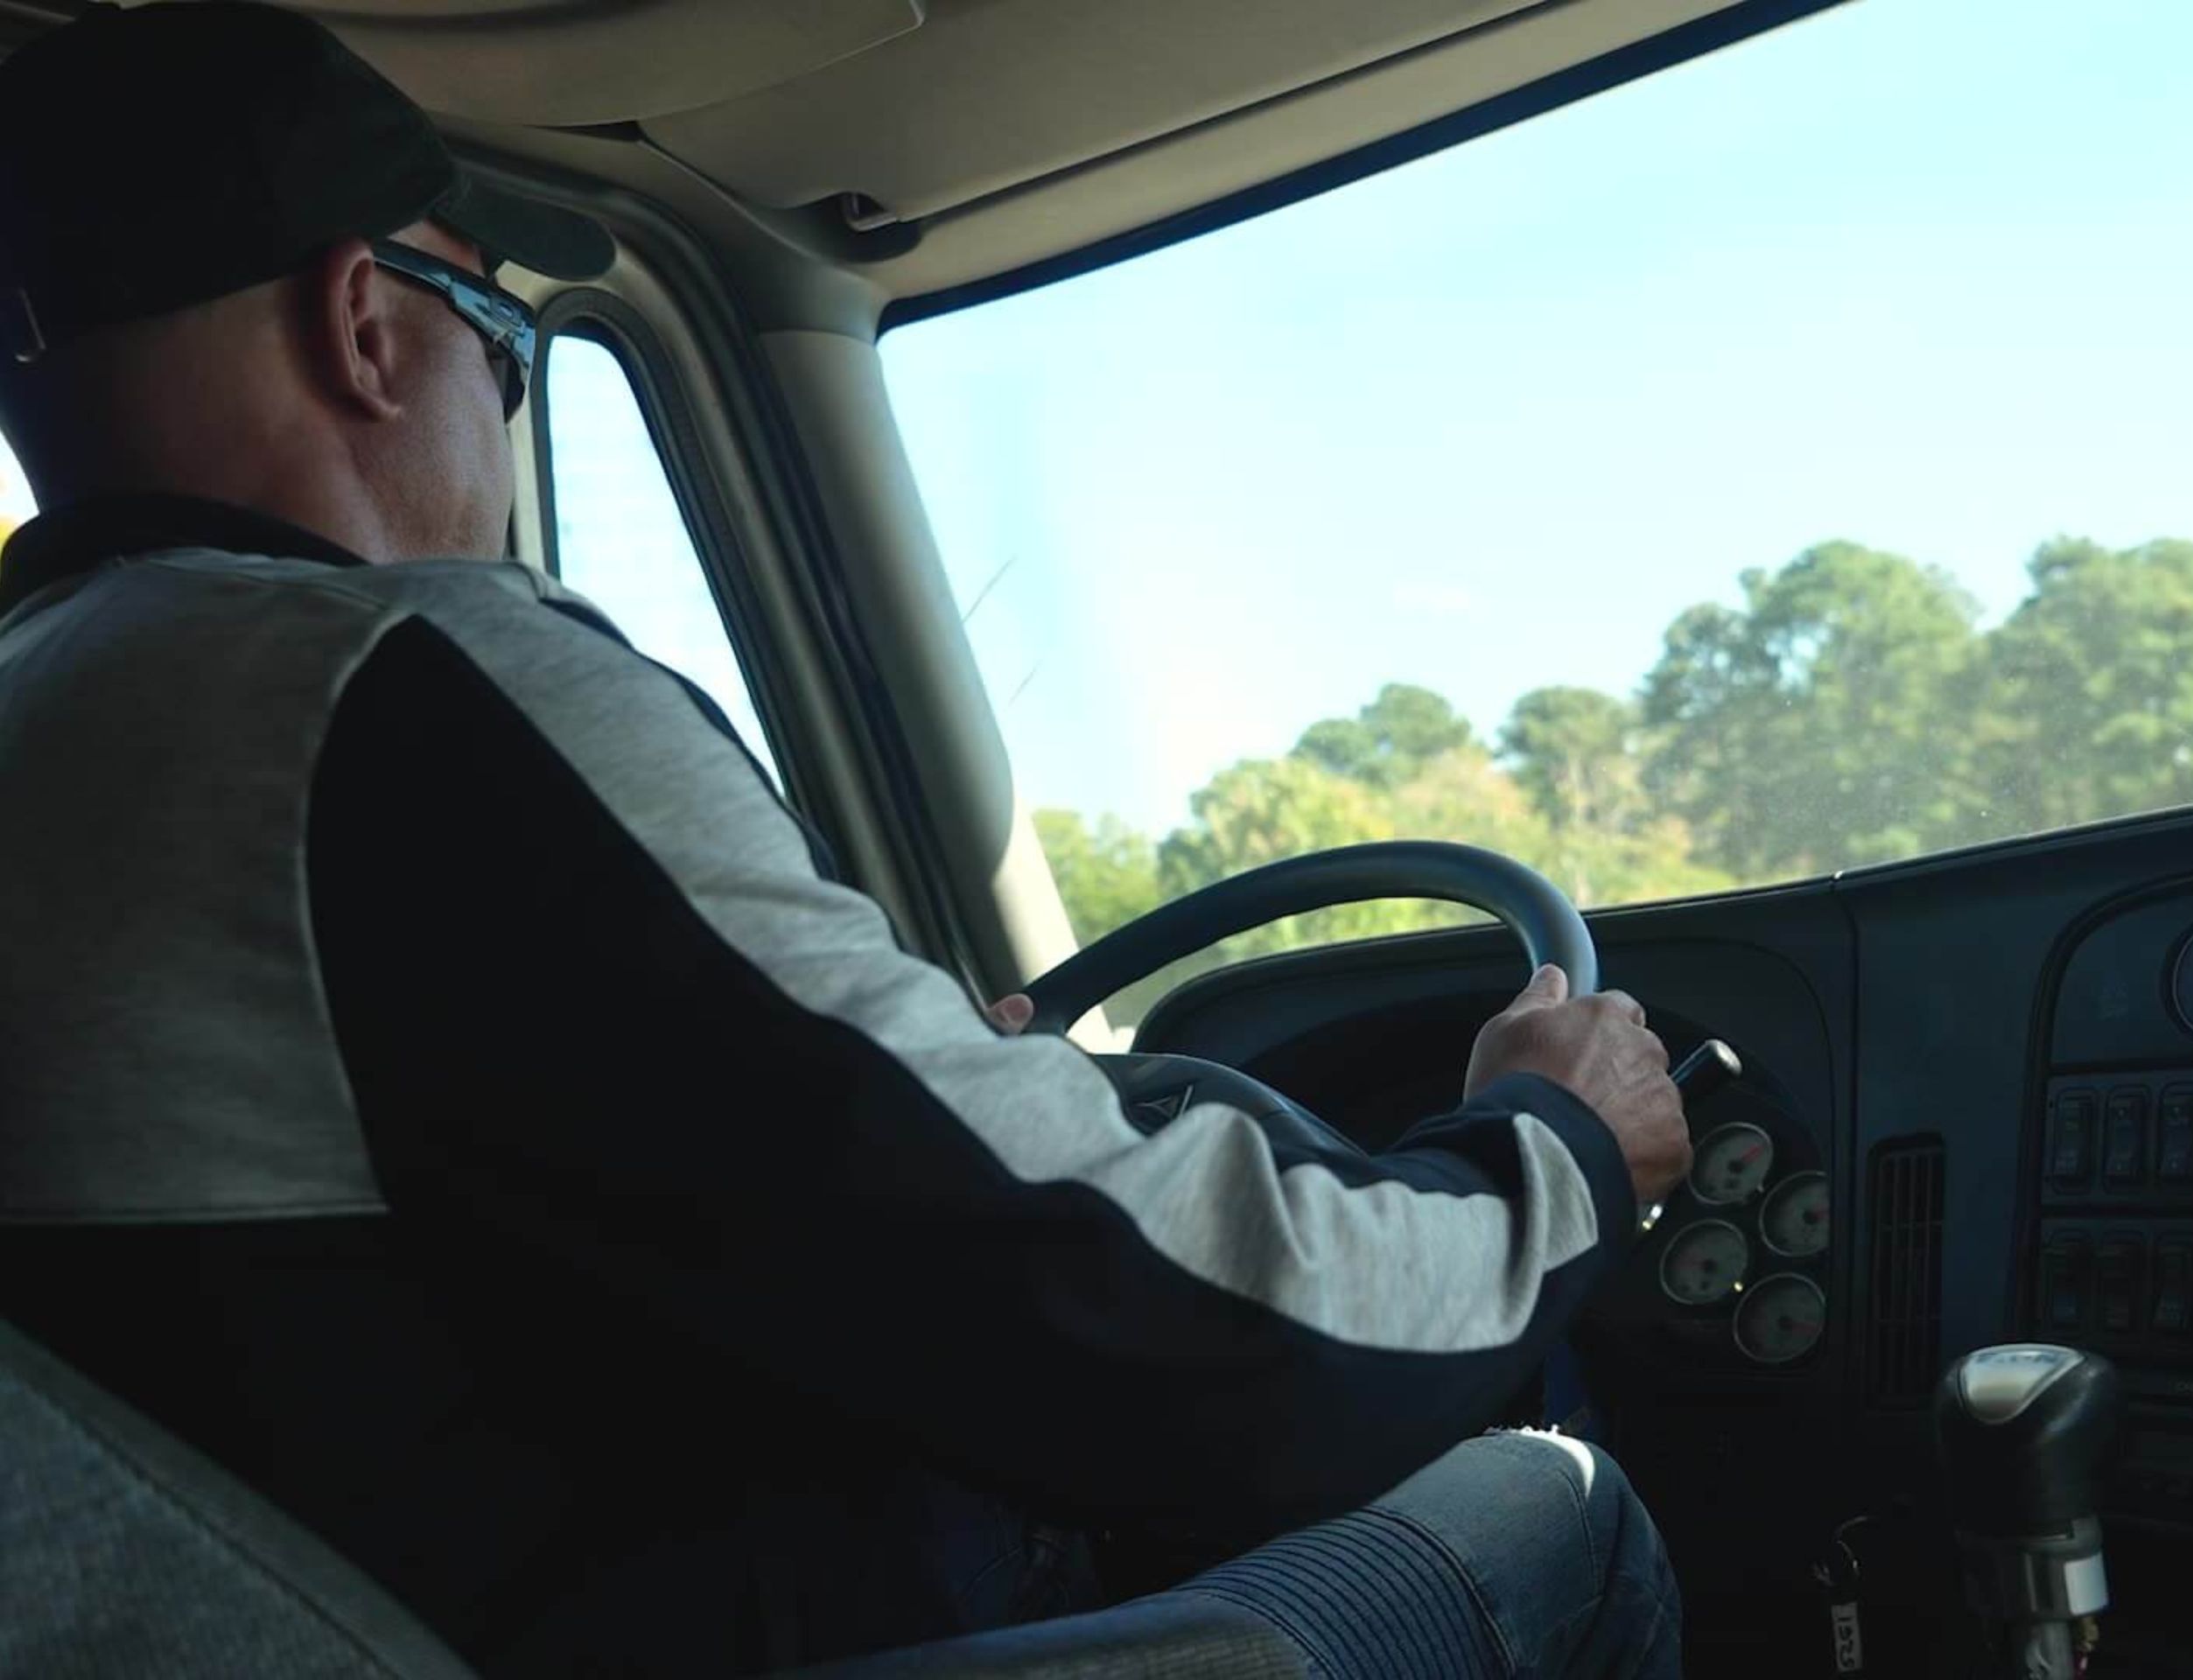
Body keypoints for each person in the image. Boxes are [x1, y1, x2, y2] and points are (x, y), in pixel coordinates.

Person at [0, 5, 1692, 1675]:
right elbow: (1157, 1325)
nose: (502, 419)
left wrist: (927, 1103)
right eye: (502, 342)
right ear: (364, 325)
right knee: (1562, 1510)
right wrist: (1555, 1154)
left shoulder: (68, 717)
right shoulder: (391, 689)